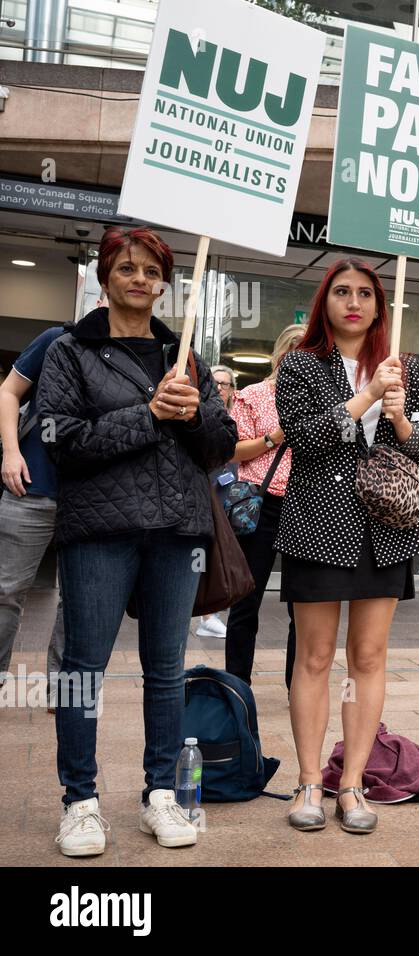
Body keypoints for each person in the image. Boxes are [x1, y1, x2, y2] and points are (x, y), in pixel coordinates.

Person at [37, 226, 236, 857]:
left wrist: (194, 411)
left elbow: (221, 445)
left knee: (166, 671)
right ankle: (80, 803)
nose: (141, 280)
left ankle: (160, 794)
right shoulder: (70, 350)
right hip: (99, 531)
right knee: (82, 670)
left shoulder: (183, 356)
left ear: (164, 284)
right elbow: (59, 438)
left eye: (152, 272)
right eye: (128, 268)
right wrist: (148, 415)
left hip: (176, 532)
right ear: (105, 276)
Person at [274, 258, 419, 834]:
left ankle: (353, 784)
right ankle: (309, 780)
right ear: (326, 301)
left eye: (365, 293)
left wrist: (401, 422)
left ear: (379, 305)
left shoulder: (408, 371)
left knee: (367, 658)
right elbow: (307, 441)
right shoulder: (300, 366)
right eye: (342, 291)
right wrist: (367, 396)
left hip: (384, 531)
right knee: (315, 658)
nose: (354, 302)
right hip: (318, 524)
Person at [224, 325, 303, 689]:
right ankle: (237, 685)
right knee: (247, 600)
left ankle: (298, 686)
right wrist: (277, 435)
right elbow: (234, 450)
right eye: (293, 350)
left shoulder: (318, 400)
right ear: (279, 353)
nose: (299, 359)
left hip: (305, 505)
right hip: (261, 501)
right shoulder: (253, 395)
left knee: (302, 606)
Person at [0, 323, 69, 690]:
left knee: (77, 602)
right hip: (30, 484)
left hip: (92, 499)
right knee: (6, 589)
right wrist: (10, 453)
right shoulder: (56, 338)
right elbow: (9, 391)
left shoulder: (136, 351)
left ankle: (62, 691)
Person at [195, 364, 240, 640]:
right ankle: (206, 616)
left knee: (226, 550)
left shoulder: (236, 416)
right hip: (206, 485)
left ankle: (215, 612)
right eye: (216, 382)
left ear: (232, 390)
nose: (220, 387)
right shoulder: (200, 415)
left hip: (233, 490)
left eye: (225, 384)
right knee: (206, 549)